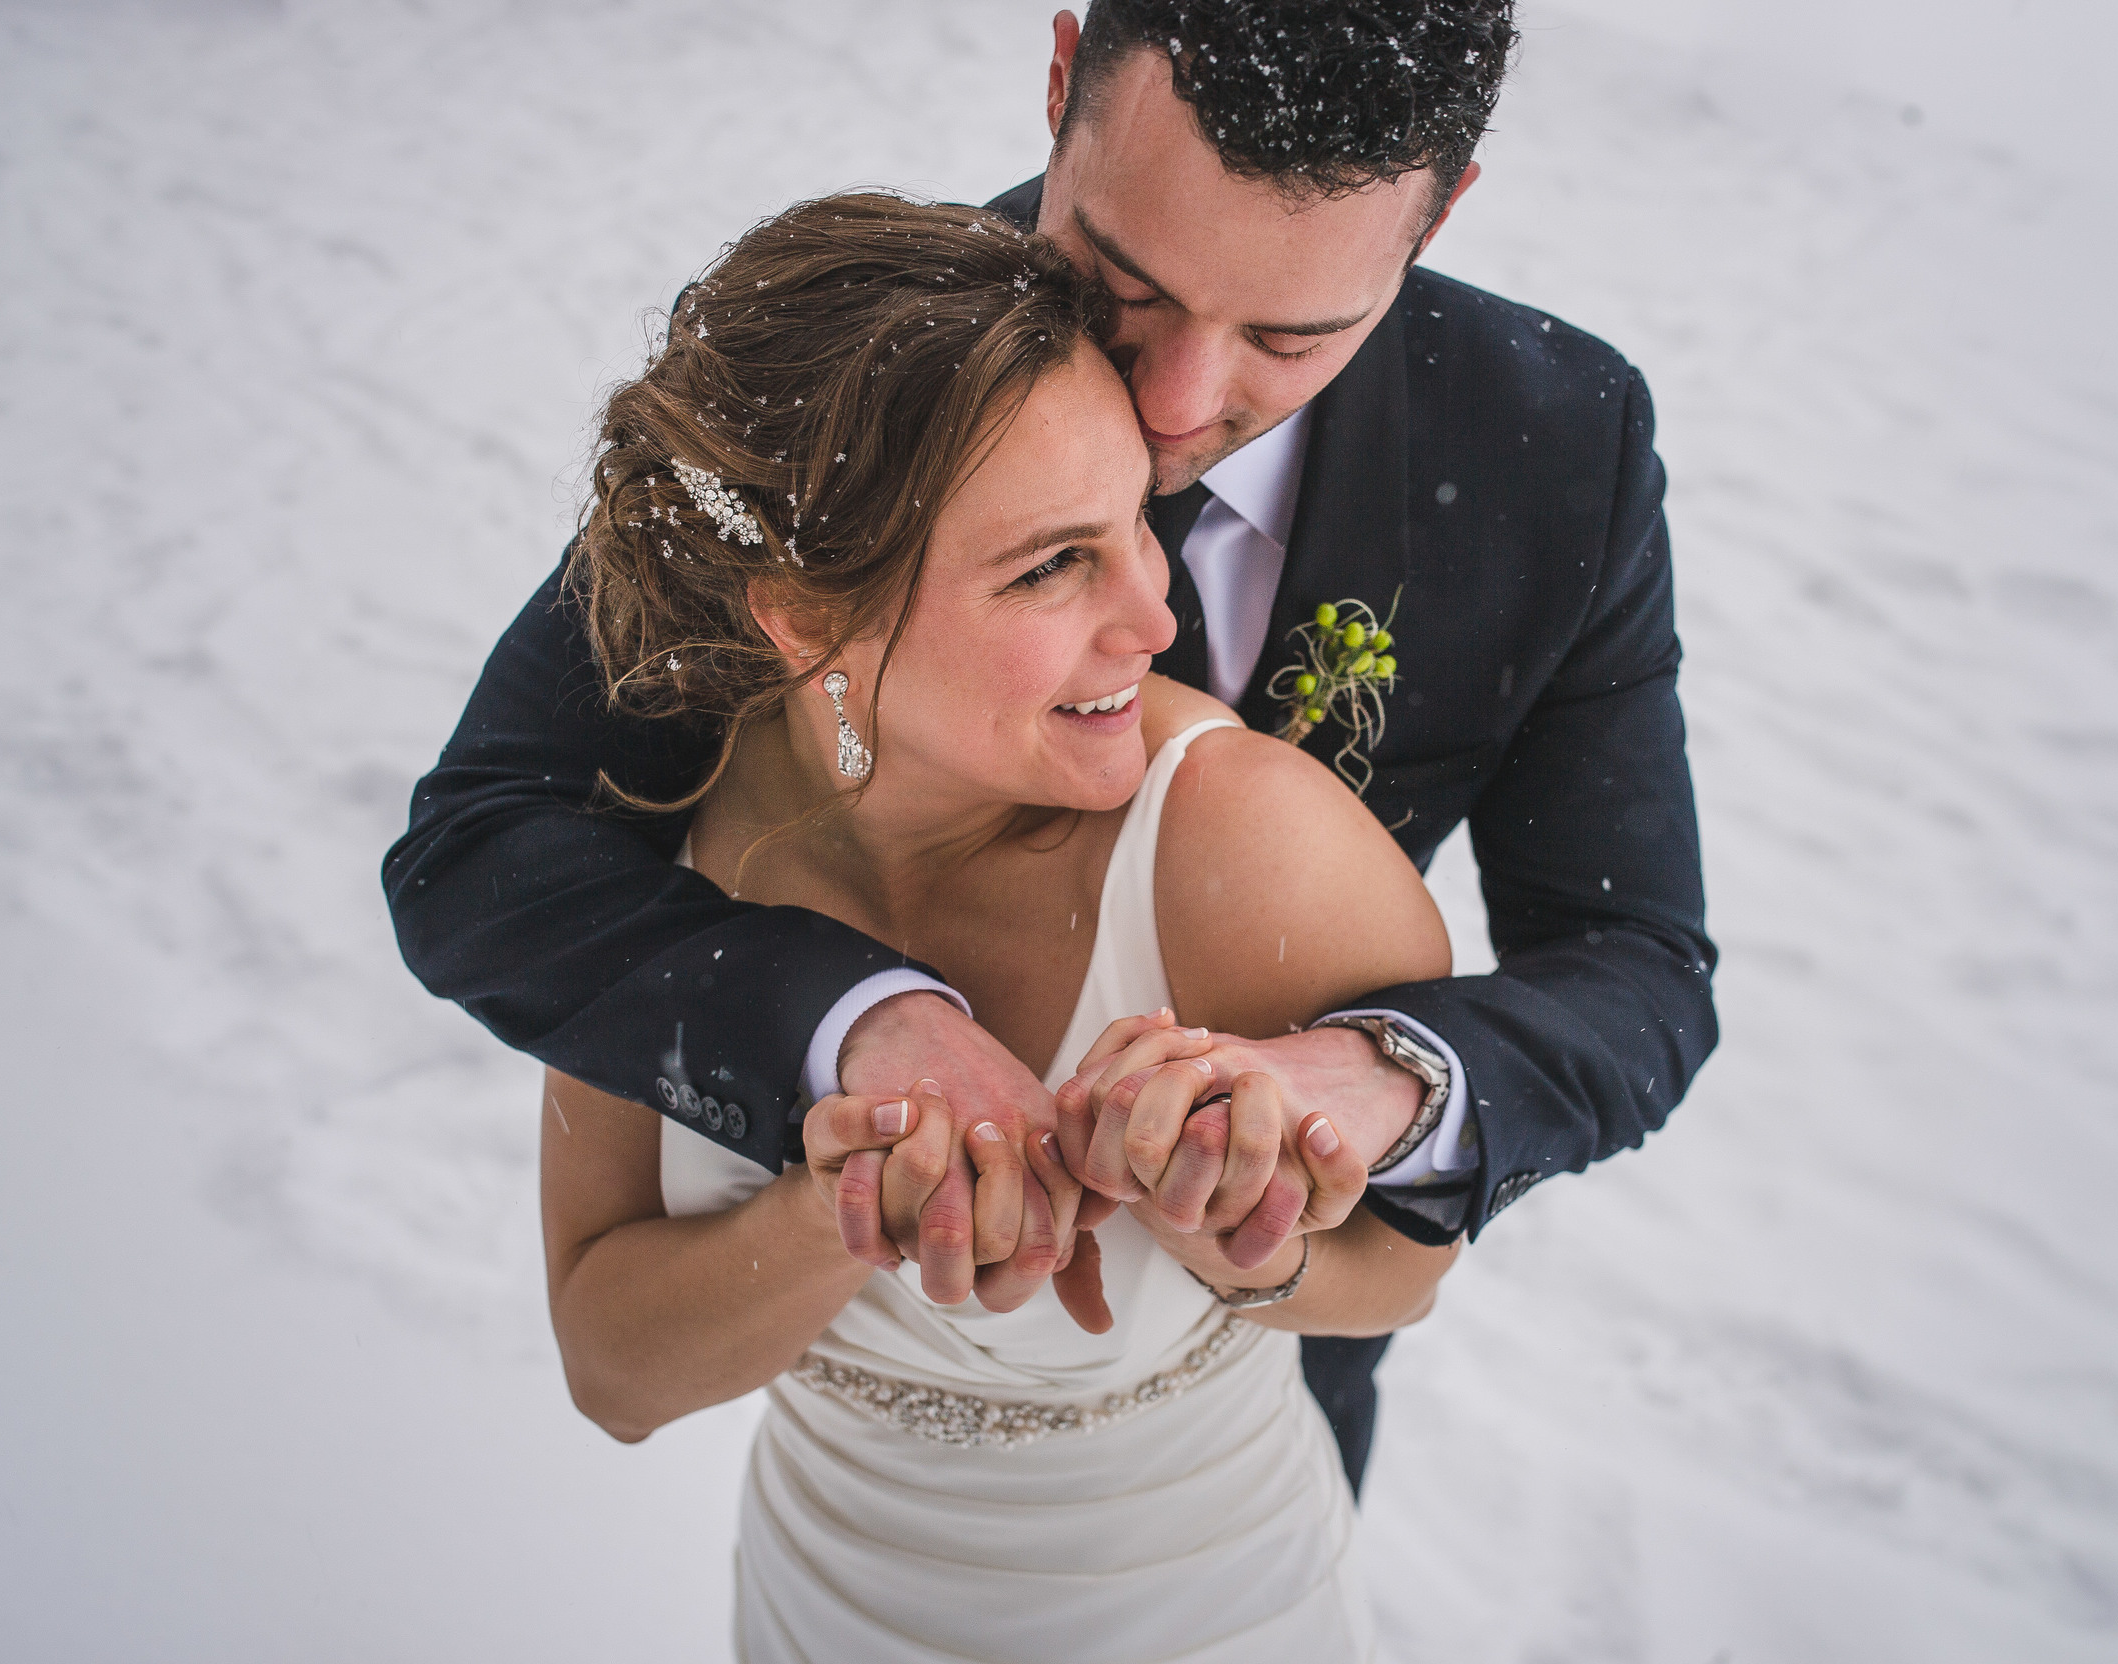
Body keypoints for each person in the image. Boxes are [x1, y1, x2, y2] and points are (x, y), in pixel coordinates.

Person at [385, 0, 1716, 1497]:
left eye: (1291, 337)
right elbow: (487, 835)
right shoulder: (866, 384)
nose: (1172, 405)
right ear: (1065, 75)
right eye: (1123, 281)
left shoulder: (1554, 441)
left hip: (1262, 1390)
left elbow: (1636, 964)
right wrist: (854, 1024)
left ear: (1439, 213)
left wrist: (1370, 1084)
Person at [539, 193, 1455, 1657]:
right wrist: (842, 1214)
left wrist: (1237, 1220)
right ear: (803, 616)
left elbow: (1405, 1267)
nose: (1155, 621)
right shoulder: (641, 855)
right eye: (1050, 565)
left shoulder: (1235, 838)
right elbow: (611, 1369)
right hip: (821, 1602)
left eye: (1131, 531)